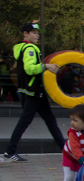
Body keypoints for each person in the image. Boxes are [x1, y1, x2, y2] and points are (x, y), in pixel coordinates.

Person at [3, 22, 65, 163]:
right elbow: (30, 69)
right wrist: (45, 66)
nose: (37, 35)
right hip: (33, 92)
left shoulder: (23, 48)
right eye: (33, 33)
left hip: (34, 92)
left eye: (37, 33)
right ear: (25, 34)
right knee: (26, 122)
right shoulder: (30, 48)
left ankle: (65, 150)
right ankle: (9, 152)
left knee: (50, 121)